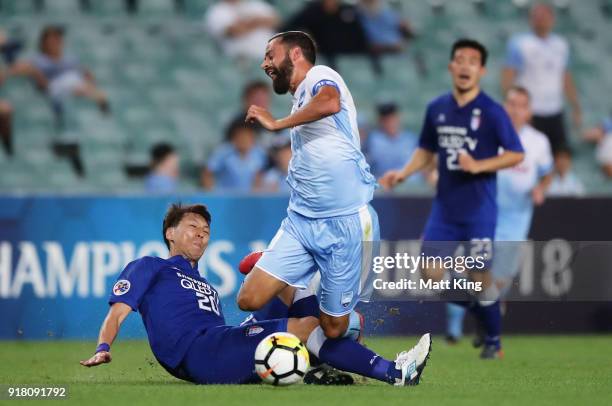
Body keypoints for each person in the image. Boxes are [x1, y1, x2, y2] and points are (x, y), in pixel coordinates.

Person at [79, 203, 432, 386]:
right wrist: (103, 347)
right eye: (192, 228)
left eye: (206, 231)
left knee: (291, 298)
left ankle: (318, 362)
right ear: (170, 233)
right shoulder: (150, 265)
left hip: (215, 346)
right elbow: (119, 310)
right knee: (308, 328)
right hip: (200, 352)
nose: (201, 235)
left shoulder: (205, 286)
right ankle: (396, 372)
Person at [379, 39, 525, 359]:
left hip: (479, 210)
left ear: (482, 71)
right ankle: (482, 308)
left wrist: (480, 165)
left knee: (479, 276)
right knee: (430, 273)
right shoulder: (437, 108)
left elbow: (516, 153)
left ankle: (493, 342)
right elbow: (426, 150)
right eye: (459, 59)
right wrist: (403, 173)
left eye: (472, 61)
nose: (465, 65)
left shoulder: (492, 111)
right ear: (450, 66)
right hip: (445, 208)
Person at [238, 31, 379, 343]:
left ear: (296, 54)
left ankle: (344, 317)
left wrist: (275, 124)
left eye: (270, 55)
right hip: (301, 222)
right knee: (248, 299)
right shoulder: (298, 103)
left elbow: (329, 102)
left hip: (345, 224)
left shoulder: (320, 75)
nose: (264, 64)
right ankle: (301, 280)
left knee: (334, 328)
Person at [446, 86, 553, 343]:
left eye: (521, 105)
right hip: (482, 216)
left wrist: (541, 188)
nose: (516, 110)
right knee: (462, 272)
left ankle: (487, 327)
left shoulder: (539, 142)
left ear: (529, 112)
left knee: (497, 283)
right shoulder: (487, 134)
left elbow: (547, 173)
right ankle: (455, 330)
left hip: (514, 224)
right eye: (512, 104)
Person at [501, 3, 581, 155]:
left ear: (552, 19)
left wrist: (575, 105)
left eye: (544, 16)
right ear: (531, 19)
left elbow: (566, 77)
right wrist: (513, 107)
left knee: (559, 154)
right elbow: (508, 76)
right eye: (537, 16)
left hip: (555, 110)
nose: (541, 20)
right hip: (531, 111)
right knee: (530, 153)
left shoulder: (561, 45)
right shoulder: (520, 44)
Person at [9, 25, 109, 119]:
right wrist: (35, 73)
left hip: (75, 83)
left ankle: (104, 117)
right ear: (43, 42)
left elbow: (86, 73)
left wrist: (88, 78)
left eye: (57, 39)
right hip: (54, 86)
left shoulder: (70, 58)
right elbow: (20, 68)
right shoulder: (37, 59)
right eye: (52, 40)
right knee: (77, 87)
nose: (55, 42)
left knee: (100, 94)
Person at [282, 0, 368, 70]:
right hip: (323, 57)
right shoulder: (312, 11)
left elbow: (360, 35)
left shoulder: (348, 10)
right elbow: (288, 27)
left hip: (351, 57)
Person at [204, 0, 279, 62]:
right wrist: (256, 22)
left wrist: (249, 23)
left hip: (271, 55)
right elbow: (235, 32)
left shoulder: (255, 4)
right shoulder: (217, 11)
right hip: (242, 59)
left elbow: (276, 22)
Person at [201, 122, 266, 191]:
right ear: (234, 139)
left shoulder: (259, 153)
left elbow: (259, 176)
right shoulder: (223, 152)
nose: (244, 140)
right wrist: (212, 193)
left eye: (247, 137)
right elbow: (207, 173)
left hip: (247, 198)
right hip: (224, 197)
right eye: (241, 137)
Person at [365, 102, 420, 180]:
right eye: (385, 119)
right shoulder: (372, 140)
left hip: (411, 187)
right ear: (380, 120)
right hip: (382, 187)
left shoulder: (411, 139)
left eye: (392, 118)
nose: (390, 122)